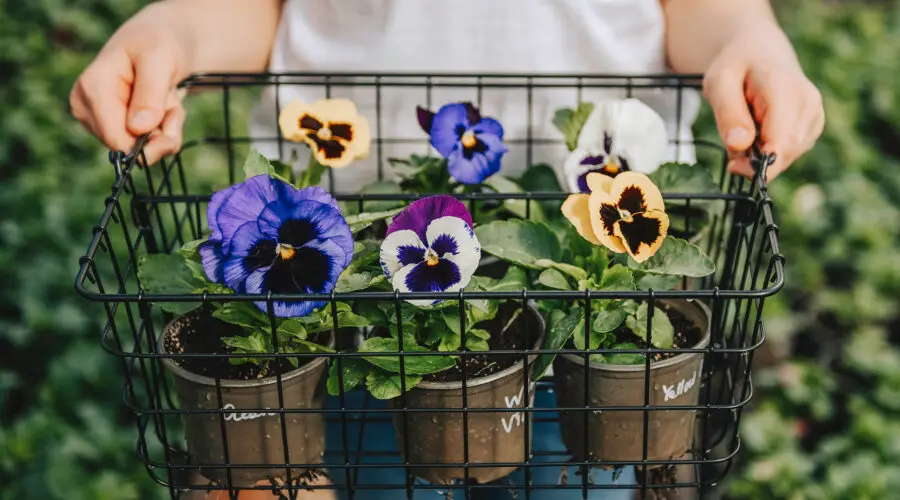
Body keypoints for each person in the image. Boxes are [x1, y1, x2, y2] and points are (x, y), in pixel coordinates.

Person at [69, 1, 823, 499]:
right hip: (359, 283)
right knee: (379, 471)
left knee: (576, 472)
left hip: (582, 282)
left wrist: (747, 41)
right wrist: (172, 34)